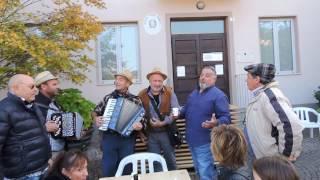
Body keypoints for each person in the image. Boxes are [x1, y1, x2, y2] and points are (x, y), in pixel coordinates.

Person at [243, 63, 303, 167]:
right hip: (262, 159)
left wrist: (285, 157)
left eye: (248, 77)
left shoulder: (269, 96)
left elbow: (291, 125)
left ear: (257, 79)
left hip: (272, 163)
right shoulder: (260, 95)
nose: (245, 80)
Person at [179, 66, 231, 180]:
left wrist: (215, 122)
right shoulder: (194, 93)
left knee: (205, 172)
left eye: (207, 75)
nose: (203, 78)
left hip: (205, 141)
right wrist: (177, 113)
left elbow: (226, 118)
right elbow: (185, 110)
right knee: (198, 170)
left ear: (214, 78)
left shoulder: (219, 96)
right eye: (202, 75)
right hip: (192, 140)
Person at [92, 70, 144, 177]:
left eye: (120, 79)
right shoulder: (108, 98)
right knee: (108, 169)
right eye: (116, 79)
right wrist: (96, 118)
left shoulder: (136, 100)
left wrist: (140, 126)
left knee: (127, 169)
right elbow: (95, 111)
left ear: (128, 83)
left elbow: (143, 119)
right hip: (109, 138)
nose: (117, 81)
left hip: (127, 140)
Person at [0, 74, 51, 179]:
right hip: (21, 176)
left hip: (42, 169)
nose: (36, 90)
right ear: (16, 88)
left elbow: (42, 135)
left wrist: (48, 157)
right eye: (31, 86)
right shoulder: (3, 110)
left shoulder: (33, 106)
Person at [138, 68, 180, 171]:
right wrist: (141, 134)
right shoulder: (142, 94)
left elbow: (176, 112)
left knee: (170, 162)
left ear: (163, 82)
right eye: (154, 81)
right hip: (151, 134)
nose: (157, 83)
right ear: (150, 81)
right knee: (154, 163)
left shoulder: (169, 92)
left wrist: (163, 122)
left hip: (166, 132)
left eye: (160, 81)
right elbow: (137, 115)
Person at [35, 71, 65, 160]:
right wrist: (44, 128)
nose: (57, 87)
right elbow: (26, 129)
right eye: (54, 84)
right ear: (43, 87)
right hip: (45, 153)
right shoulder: (35, 105)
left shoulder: (54, 103)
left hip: (60, 149)